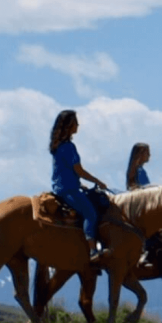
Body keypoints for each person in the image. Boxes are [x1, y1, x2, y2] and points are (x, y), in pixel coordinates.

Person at [49, 110, 109, 257]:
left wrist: (79, 184)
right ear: (69, 126)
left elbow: (65, 170)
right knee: (91, 214)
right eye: (76, 122)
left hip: (63, 187)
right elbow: (79, 170)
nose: (78, 125)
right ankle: (92, 250)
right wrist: (98, 181)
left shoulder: (59, 145)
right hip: (69, 189)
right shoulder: (69, 147)